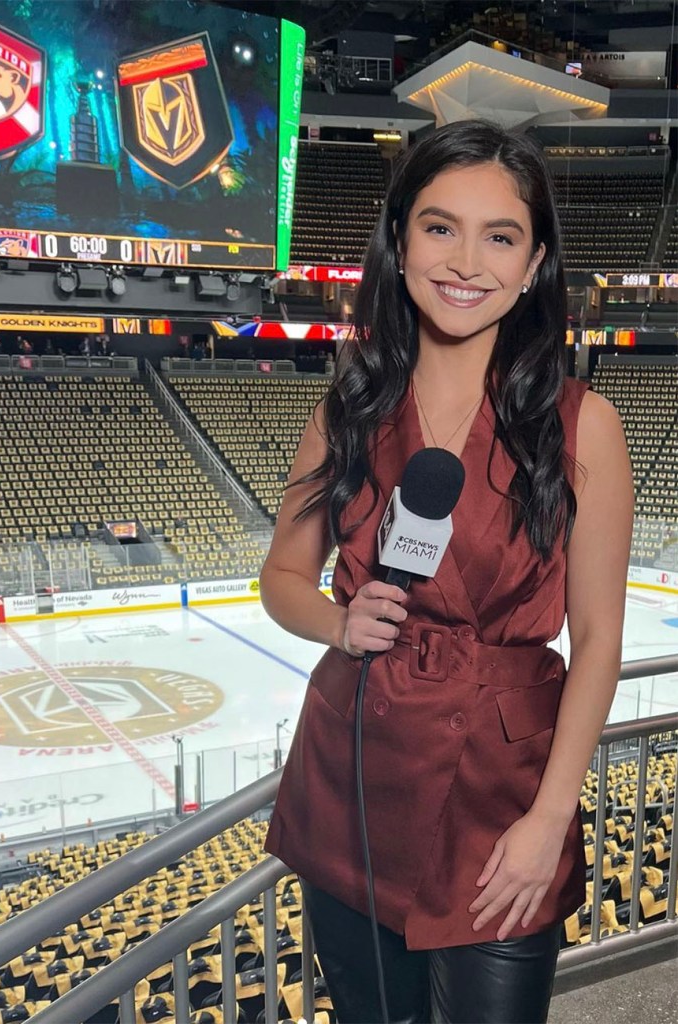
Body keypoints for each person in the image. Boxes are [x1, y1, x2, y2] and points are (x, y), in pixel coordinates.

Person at [260, 121, 633, 1024]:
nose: (467, 261)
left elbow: (600, 647)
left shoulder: (587, 427)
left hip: (500, 803)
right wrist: (337, 625)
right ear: (399, 240)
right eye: (439, 227)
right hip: (353, 776)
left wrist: (551, 821)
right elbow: (281, 576)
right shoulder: (346, 407)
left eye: (500, 235)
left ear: (536, 260)